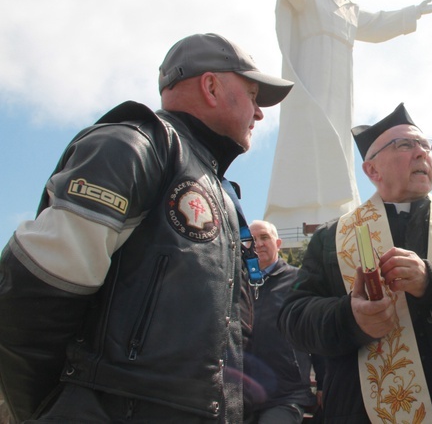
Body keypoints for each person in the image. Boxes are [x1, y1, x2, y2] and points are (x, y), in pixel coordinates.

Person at [0, 33, 293, 423]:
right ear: (211, 86)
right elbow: (29, 295)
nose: (259, 113)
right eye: (253, 95)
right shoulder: (131, 147)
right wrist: (56, 409)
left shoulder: (223, 193)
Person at [278, 103, 432, 423]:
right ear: (372, 170)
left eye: (425, 145)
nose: (421, 153)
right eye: (405, 145)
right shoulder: (331, 239)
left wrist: (430, 279)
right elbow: (294, 318)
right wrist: (350, 317)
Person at [261, 0, 432, 232]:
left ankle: (338, 211)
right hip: (312, 81)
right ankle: (298, 212)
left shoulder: (349, 9)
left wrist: (411, 13)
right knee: (310, 138)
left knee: (339, 143)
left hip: (341, 90)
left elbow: (376, 24)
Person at [243, 220, 320, 424]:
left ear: (278, 243)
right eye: (251, 240)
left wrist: (322, 382)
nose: (258, 244)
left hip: (285, 393)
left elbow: (316, 332)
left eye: (264, 237)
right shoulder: (239, 285)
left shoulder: (298, 281)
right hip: (242, 395)